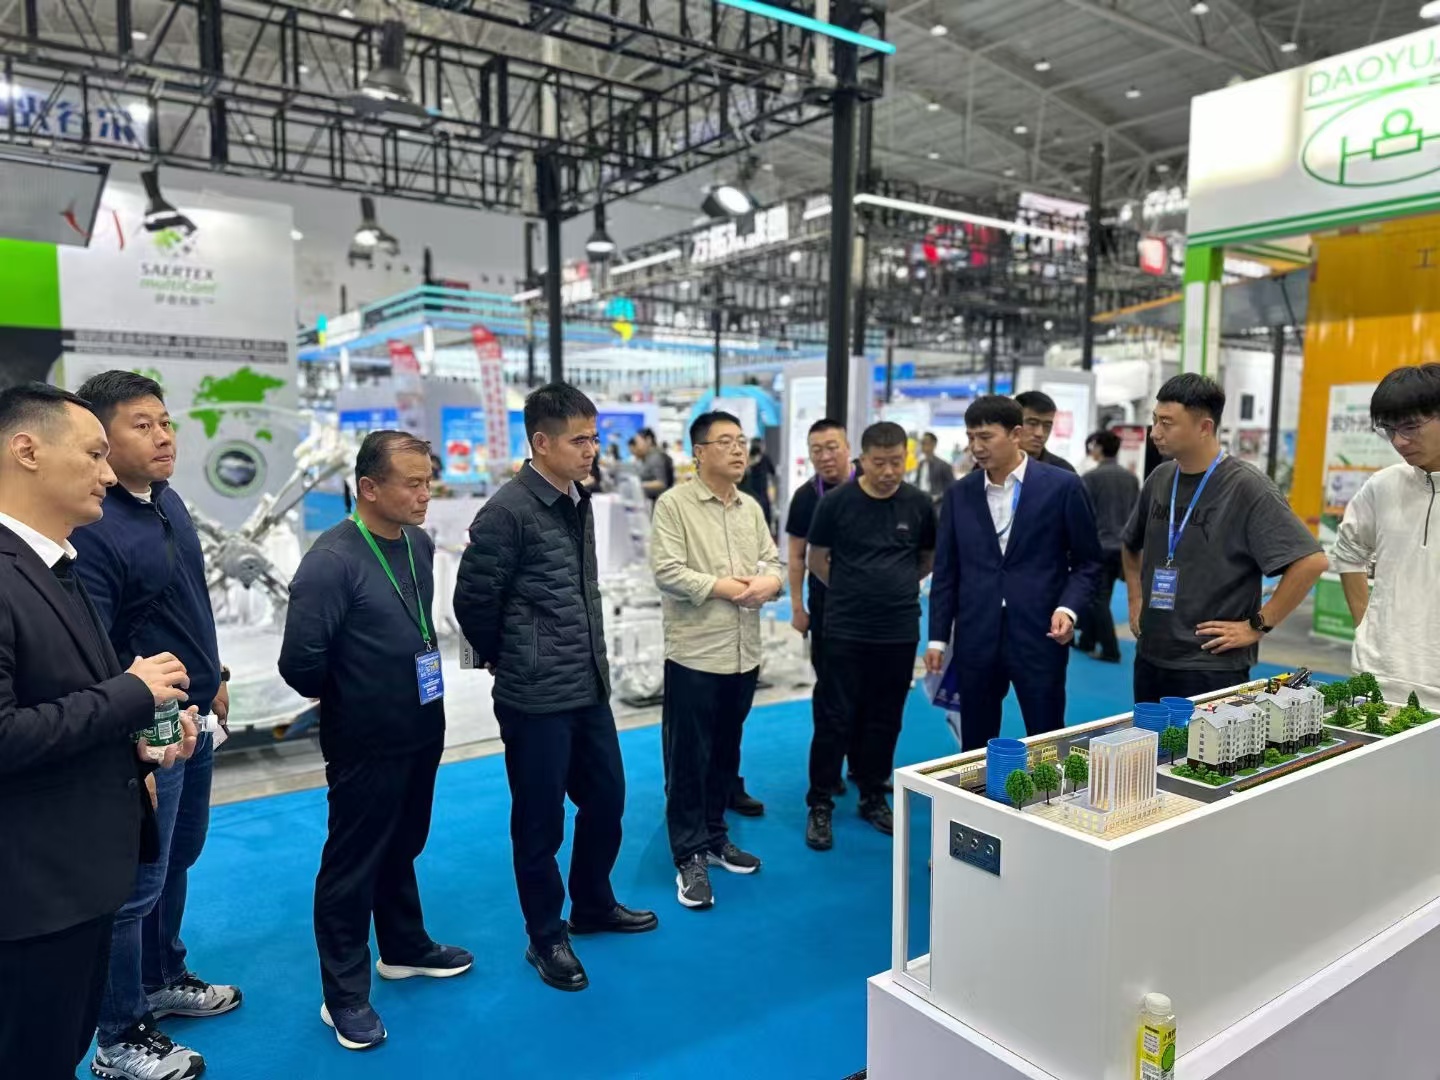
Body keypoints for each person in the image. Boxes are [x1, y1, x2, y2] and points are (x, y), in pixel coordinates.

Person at [0, 383, 195, 1080]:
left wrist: (137, 737)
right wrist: (130, 695)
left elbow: (67, 698)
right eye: (93, 454)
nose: (107, 475)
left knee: (59, 1049)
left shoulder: (57, 563)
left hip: (77, 883)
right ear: (27, 450)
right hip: (31, 896)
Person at [454, 384, 655, 994]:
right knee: (540, 824)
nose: (592, 449)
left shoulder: (576, 498)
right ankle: (545, 936)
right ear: (541, 443)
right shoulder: (507, 512)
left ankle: (592, 903)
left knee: (608, 800)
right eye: (579, 440)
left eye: (594, 437)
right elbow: (472, 603)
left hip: (588, 685)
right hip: (535, 696)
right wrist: (511, 656)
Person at [71, 372, 241, 1080]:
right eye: (142, 425)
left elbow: (188, 602)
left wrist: (215, 673)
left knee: (179, 855)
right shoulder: (96, 527)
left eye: (165, 422)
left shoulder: (166, 502)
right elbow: (96, 649)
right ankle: (119, 1035)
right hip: (149, 726)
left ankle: (163, 975)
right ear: (101, 439)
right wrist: (133, 745)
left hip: (195, 712)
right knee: (136, 882)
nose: (164, 436)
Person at [280, 430, 472, 1051]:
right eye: (412, 484)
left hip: (422, 724)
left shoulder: (418, 543)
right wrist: (356, 691)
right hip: (363, 738)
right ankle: (344, 994)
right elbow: (300, 665)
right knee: (352, 862)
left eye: (428, 482)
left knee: (403, 842)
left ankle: (404, 946)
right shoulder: (330, 562)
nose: (425, 495)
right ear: (368, 488)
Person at [1122, 374, 1328, 704]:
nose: (1155, 432)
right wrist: (1135, 599)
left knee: (1202, 740)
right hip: (1151, 654)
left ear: (1204, 427)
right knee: (1149, 738)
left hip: (1211, 664)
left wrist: (1257, 625)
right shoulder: (1160, 478)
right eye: (1155, 420)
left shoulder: (1246, 487)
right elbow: (1130, 544)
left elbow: (1311, 561)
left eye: (1166, 423)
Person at [651, 411, 782, 911]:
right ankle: (688, 854)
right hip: (696, 654)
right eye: (724, 441)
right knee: (688, 758)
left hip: (743, 653)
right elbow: (667, 571)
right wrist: (727, 588)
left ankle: (714, 835)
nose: (737, 450)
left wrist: (769, 583)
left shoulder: (750, 507)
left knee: (726, 753)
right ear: (699, 452)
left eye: (741, 441)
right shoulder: (674, 505)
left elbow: (772, 561)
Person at [925, 396, 1104, 750]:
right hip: (976, 635)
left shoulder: (1062, 486)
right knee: (975, 743)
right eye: (971, 437)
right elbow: (946, 571)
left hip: (1040, 633)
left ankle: (1049, 788)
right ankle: (978, 787)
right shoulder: (960, 494)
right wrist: (937, 639)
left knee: (1046, 735)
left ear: (1015, 434)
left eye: (986, 437)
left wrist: (1068, 609)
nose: (976, 447)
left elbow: (1089, 562)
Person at [804, 422, 935, 848]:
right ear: (862, 460)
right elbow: (817, 560)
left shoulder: (919, 504)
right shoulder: (836, 503)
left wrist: (893, 585)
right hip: (845, 628)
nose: (889, 471)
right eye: (879, 463)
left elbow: (927, 558)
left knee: (886, 717)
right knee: (834, 716)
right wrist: (851, 589)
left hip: (898, 630)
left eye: (897, 462)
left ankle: (872, 794)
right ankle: (820, 802)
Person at [1332, 363, 1440, 708]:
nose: (1399, 441)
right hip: (1379, 677)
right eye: (1389, 429)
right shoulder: (1383, 486)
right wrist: (1365, 625)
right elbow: (1348, 550)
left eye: (1411, 426)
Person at [785, 418, 859, 798]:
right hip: (826, 609)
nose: (825, 456)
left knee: (870, 694)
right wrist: (797, 607)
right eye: (817, 450)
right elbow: (796, 556)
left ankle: (864, 767)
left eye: (832, 447)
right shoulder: (805, 497)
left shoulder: (870, 484)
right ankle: (828, 775)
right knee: (830, 693)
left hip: (872, 611)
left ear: (848, 448)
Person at [1077, 429, 1140, 664]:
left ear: (1099, 448)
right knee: (1102, 596)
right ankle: (1087, 640)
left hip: (1099, 546)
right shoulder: (1131, 479)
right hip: (1123, 547)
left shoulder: (1090, 478)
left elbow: (1082, 515)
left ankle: (1110, 649)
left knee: (1097, 599)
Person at [1014, 390, 1077, 473]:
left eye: (1047, 426)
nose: (1040, 433)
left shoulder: (1063, 471)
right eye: (1032, 423)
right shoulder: (998, 464)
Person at [737, 437, 777, 534]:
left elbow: (773, 472)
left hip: (759, 493)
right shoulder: (747, 459)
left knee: (763, 518)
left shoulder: (763, 458)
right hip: (753, 493)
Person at [911, 431, 955, 505]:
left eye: (925, 442)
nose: (923, 445)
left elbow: (951, 487)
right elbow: (917, 482)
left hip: (937, 503)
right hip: (921, 501)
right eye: (922, 442)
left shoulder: (943, 465)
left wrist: (938, 496)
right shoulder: (921, 464)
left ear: (934, 444)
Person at [638, 427, 674, 505]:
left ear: (648, 440)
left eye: (639, 442)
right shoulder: (649, 456)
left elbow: (661, 483)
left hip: (658, 504)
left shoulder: (656, 457)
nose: (638, 445)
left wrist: (638, 485)